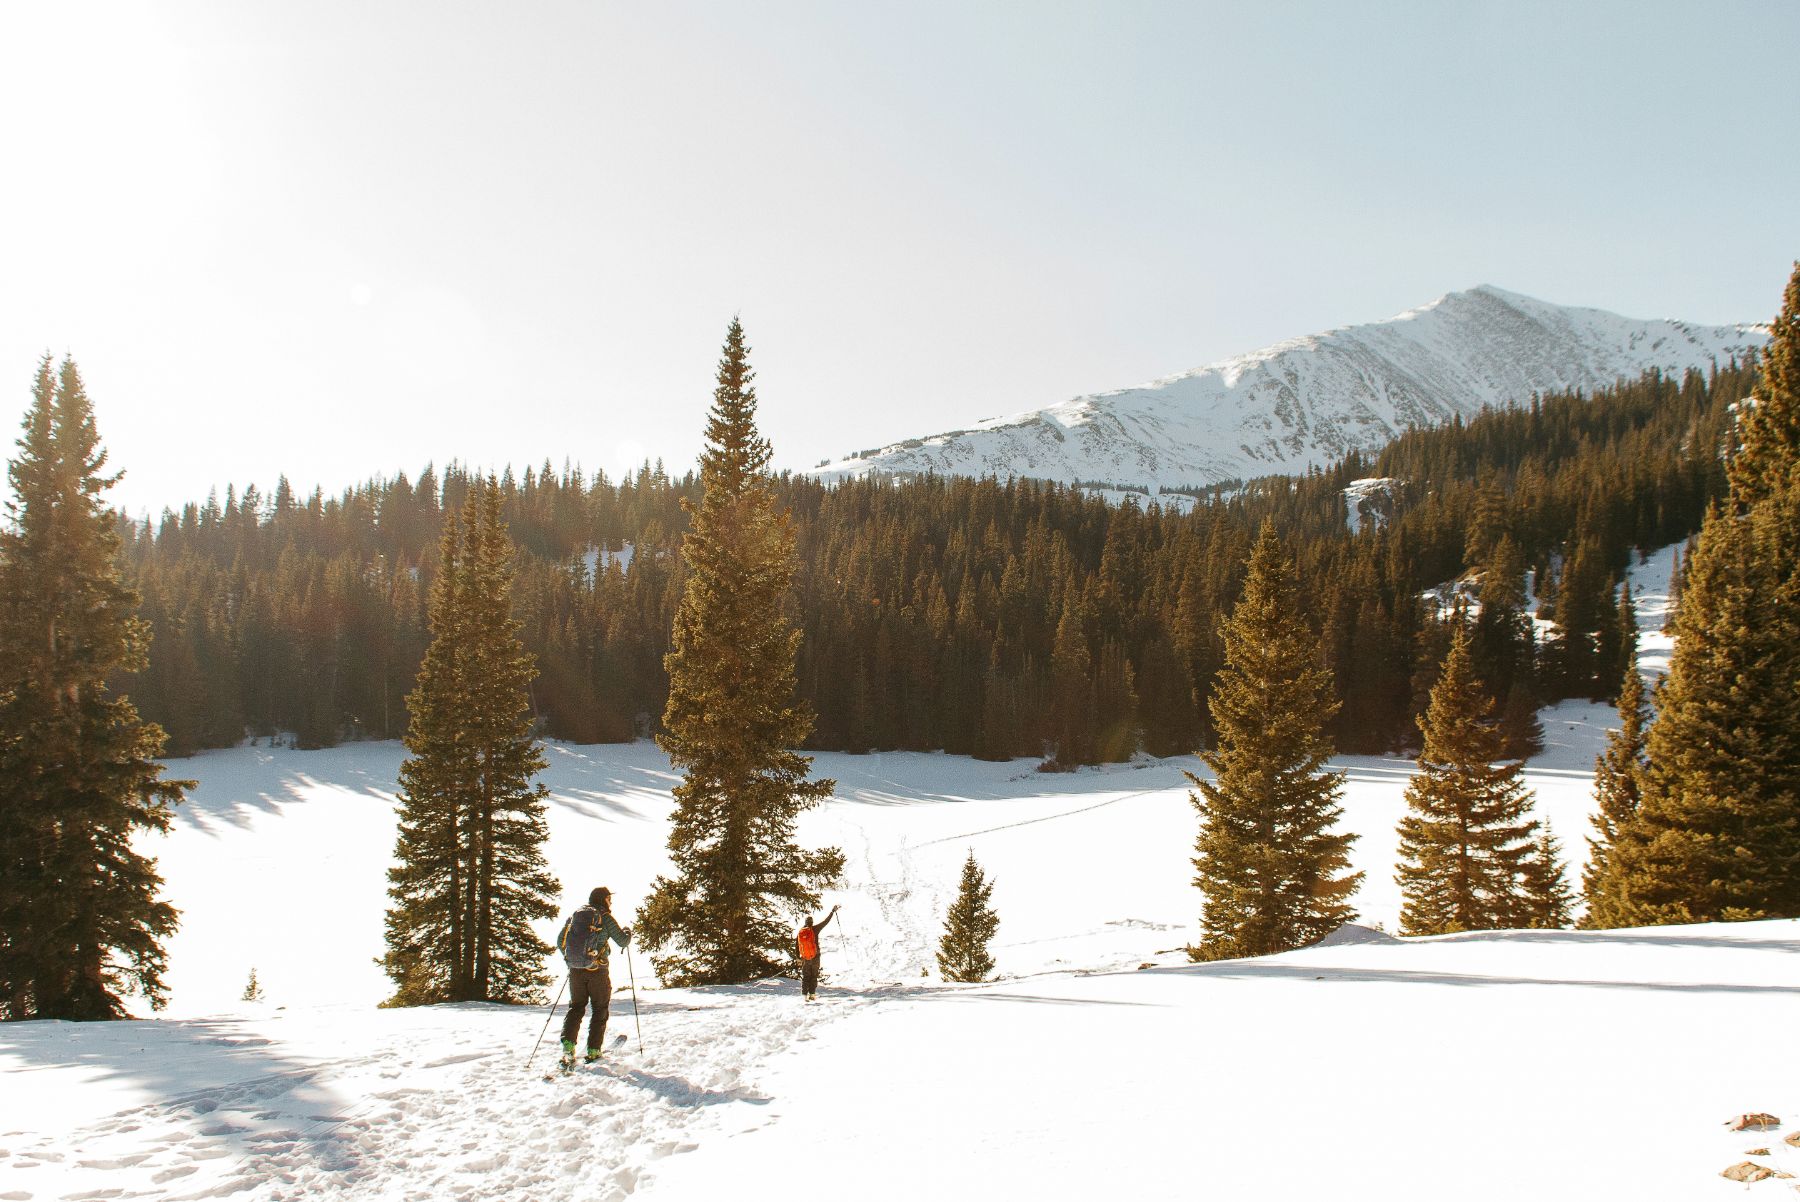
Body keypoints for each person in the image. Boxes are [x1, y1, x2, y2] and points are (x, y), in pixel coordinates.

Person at [556, 886, 631, 1068]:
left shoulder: (576, 916)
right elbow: (622, 941)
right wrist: (628, 932)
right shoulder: (605, 917)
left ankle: (568, 1045)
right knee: (599, 1008)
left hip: (575, 971)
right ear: (604, 900)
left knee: (576, 1007)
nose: (610, 902)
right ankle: (594, 1050)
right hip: (598, 970)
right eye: (609, 899)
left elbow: (560, 942)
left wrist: (576, 959)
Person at [796, 905, 839, 1002]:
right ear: (812, 923)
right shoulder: (815, 929)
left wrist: (798, 957)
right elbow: (825, 922)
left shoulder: (801, 932)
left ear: (805, 923)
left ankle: (804, 995)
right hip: (815, 957)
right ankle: (812, 994)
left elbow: (797, 946)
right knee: (814, 975)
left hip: (805, 958)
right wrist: (832, 911)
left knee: (806, 976)